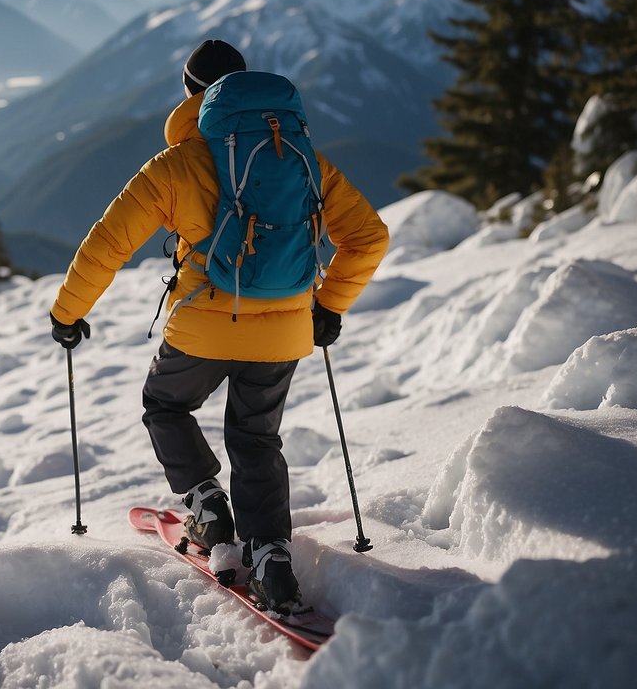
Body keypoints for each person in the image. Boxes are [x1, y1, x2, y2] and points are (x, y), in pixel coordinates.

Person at [49, 39, 389, 610]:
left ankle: (206, 504)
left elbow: (109, 243)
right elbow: (369, 238)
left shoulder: (177, 164)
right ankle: (271, 560)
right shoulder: (300, 153)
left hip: (202, 328)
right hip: (283, 330)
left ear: (191, 95)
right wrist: (328, 306)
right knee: (256, 440)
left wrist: (68, 312)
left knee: (166, 405)